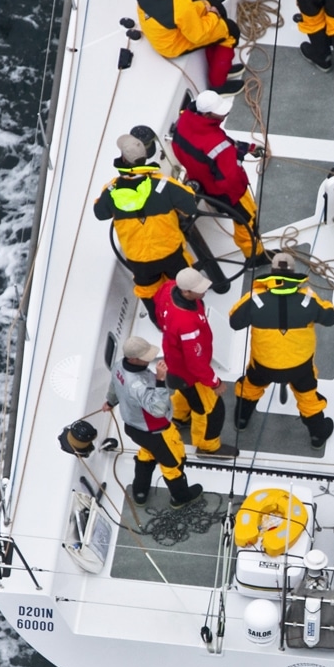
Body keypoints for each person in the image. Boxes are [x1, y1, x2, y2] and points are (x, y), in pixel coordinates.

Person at [228, 253, 334, 449]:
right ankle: (317, 435)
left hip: (263, 366)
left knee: (250, 388)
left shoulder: (254, 298)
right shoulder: (308, 298)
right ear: (293, 273)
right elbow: (330, 318)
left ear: (272, 272)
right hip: (300, 368)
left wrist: (257, 292)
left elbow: (235, 321)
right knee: (308, 398)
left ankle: (241, 419)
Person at [93, 132, 197, 323]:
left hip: (140, 261)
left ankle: (160, 322)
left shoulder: (112, 191)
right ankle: (190, 319)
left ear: (124, 159)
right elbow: (190, 206)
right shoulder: (164, 184)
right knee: (184, 283)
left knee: (148, 291)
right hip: (171, 253)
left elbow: (100, 213)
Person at [103, 336, 203, 508]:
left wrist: (110, 402)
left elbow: (114, 385)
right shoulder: (138, 385)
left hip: (134, 428)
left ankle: (139, 492)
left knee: (147, 454)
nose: (150, 359)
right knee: (173, 463)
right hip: (157, 432)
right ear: (133, 359)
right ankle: (180, 497)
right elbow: (158, 410)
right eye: (145, 357)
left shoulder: (119, 366)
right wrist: (160, 380)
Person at [171, 90, 267, 266]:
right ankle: (255, 257)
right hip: (228, 194)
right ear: (207, 114)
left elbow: (210, 144)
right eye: (220, 112)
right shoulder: (217, 145)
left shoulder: (185, 120)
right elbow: (228, 180)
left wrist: (247, 147)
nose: (225, 114)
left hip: (201, 181)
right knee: (247, 219)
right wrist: (237, 158)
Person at [154, 267, 239, 459]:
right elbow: (195, 362)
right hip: (189, 374)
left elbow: (158, 312)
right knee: (212, 410)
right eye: (200, 289)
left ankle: (178, 417)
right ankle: (207, 447)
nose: (205, 291)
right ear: (186, 292)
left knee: (186, 395)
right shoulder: (186, 323)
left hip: (174, 366)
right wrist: (215, 382)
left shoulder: (169, 288)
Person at [135, 0, 244, 96]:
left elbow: (177, 10)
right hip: (171, 45)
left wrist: (212, 10)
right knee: (231, 32)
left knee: (214, 4)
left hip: (162, 29)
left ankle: (218, 65)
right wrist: (213, 15)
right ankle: (218, 84)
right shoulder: (181, 5)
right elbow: (198, 36)